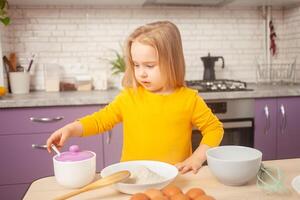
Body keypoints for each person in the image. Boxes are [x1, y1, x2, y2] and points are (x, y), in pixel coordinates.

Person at [46, 21, 223, 174]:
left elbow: (214, 129)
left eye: (150, 65)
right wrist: (70, 129)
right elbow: (100, 121)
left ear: (172, 62)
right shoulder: (129, 97)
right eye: (136, 65)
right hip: (132, 177)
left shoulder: (189, 99)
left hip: (174, 177)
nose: (141, 73)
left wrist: (196, 159)